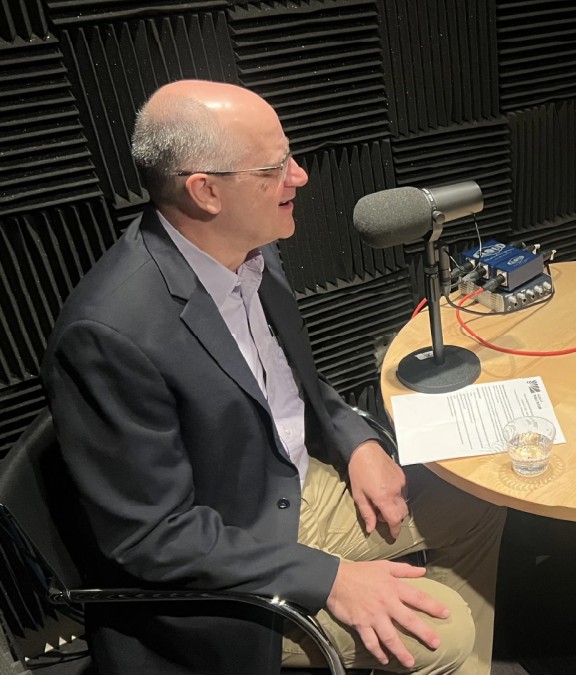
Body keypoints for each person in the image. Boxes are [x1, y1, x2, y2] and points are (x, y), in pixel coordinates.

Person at [41, 79, 506, 674]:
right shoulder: (108, 334)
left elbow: (293, 387)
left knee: (481, 498)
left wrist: (356, 441)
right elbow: (152, 537)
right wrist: (330, 577)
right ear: (205, 191)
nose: (300, 176)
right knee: (446, 634)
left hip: (295, 482)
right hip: (224, 553)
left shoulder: (252, 248)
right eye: (275, 165)